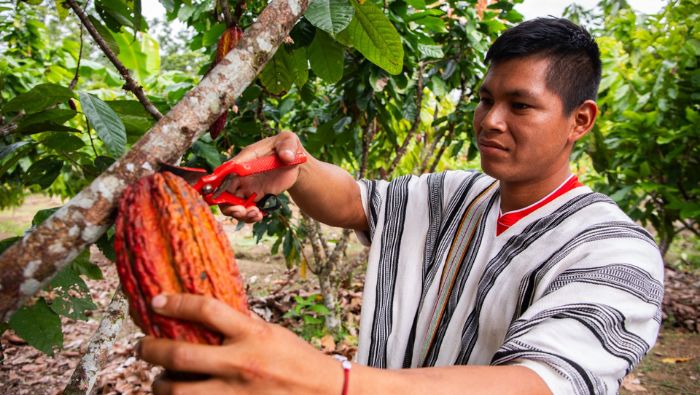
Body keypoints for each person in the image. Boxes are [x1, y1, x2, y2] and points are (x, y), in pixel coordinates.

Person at [138, 17, 664, 394]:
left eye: (520, 105)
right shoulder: (457, 194)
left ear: (580, 120)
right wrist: (295, 165)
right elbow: (353, 201)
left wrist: (327, 381)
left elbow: (542, 382)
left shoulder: (615, 253)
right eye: (485, 100)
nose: (490, 121)